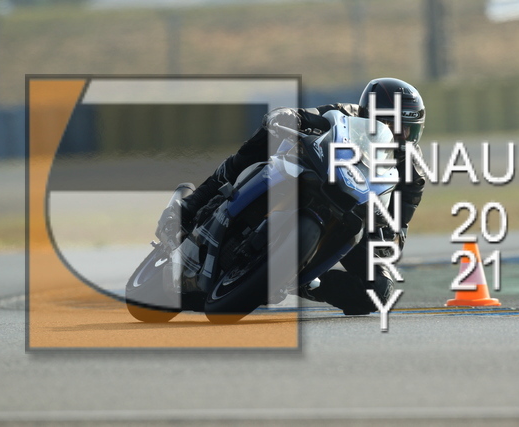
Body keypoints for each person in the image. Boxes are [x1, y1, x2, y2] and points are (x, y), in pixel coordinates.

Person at [158, 77, 426, 315]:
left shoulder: (413, 174)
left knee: (380, 292)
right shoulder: (345, 114)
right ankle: (191, 206)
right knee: (266, 138)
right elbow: (309, 116)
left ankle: (305, 284)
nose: (399, 137)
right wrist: (288, 116)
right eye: (389, 125)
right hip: (317, 176)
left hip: (354, 213)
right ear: (369, 114)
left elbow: (398, 227)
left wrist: (386, 234)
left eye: (407, 130)